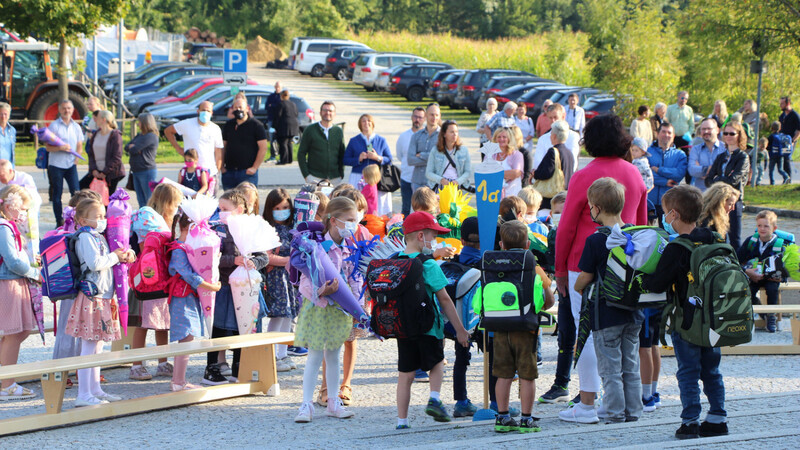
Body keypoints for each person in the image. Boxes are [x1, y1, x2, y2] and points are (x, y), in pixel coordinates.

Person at [555, 115, 648, 423]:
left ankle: (586, 403)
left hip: (586, 266)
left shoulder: (583, 176)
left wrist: (559, 271)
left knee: (589, 334)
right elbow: (643, 225)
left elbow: (566, 228)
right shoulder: (634, 174)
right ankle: (622, 402)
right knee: (624, 341)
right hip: (627, 267)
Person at [643, 185, 729, 440]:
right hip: (714, 319)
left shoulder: (677, 248)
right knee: (712, 370)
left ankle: (690, 421)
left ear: (674, 215)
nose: (663, 217)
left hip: (687, 322)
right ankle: (717, 418)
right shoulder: (715, 239)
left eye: (665, 213)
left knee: (688, 371)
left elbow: (657, 284)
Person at [573, 178, 644, 424]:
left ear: (597, 208)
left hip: (606, 314)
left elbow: (586, 275)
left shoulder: (596, 240)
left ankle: (614, 412)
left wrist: (577, 286)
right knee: (631, 366)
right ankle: (633, 411)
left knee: (610, 368)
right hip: (634, 313)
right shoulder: (635, 234)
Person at [394, 211, 469, 429]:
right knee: (436, 362)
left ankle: (402, 421)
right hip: (429, 327)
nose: (435, 241)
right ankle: (435, 398)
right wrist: (460, 330)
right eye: (433, 236)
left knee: (405, 375)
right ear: (420, 236)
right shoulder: (428, 265)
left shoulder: (395, 261)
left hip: (404, 329)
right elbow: (445, 299)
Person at [293, 197, 361, 422]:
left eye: (356, 219)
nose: (354, 224)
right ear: (333, 221)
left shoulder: (348, 248)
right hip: (318, 308)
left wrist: (357, 306)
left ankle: (334, 402)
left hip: (338, 311)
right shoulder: (315, 247)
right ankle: (306, 405)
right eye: (349, 220)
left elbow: (353, 278)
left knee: (333, 355)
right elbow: (304, 281)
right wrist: (321, 290)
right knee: (314, 356)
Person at [487, 220, 555, 433]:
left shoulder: (492, 265)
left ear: (501, 244)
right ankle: (526, 419)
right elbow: (550, 299)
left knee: (503, 374)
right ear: (528, 244)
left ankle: (503, 417)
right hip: (526, 328)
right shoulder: (532, 266)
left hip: (499, 327)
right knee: (527, 375)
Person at [66, 197, 135, 406]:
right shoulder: (85, 238)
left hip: (102, 296)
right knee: (88, 346)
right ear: (82, 219)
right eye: (97, 217)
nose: (103, 220)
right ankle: (83, 394)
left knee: (97, 346)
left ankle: (95, 389)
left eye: (103, 216)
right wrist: (116, 257)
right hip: (91, 297)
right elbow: (95, 263)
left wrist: (123, 255)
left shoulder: (98, 236)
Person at [204, 190, 269, 385]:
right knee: (218, 329)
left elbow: (263, 257)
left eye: (225, 209)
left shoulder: (250, 231)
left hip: (246, 289)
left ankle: (240, 368)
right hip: (223, 287)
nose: (221, 212)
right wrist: (234, 260)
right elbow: (210, 259)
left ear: (239, 209)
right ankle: (212, 368)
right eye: (219, 208)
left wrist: (254, 263)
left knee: (245, 328)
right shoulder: (216, 231)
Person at [128, 183, 183, 381]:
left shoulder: (164, 220)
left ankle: (162, 362)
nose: (178, 207)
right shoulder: (148, 219)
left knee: (162, 323)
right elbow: (144, 249)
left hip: (163, 280)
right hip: (148, 279)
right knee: (142, 324)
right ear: (168, 203)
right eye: (176, 204)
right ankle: (136, 365)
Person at [168, 211, 222, 391]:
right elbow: (189, 276)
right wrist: (211, 286)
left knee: (187, 338)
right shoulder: (179, 249)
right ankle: (178, 382)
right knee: (185, 337)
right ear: (189, 227)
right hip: (182, 298)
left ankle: (179, 380)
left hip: (187, 296)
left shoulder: (184, 247)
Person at [0, 185, 39, 400]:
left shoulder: (9, 226)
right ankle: (8, 384)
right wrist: (34, 272)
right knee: (14, 333)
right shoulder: (3, 227)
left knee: (19, 332)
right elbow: (12, 259)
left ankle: (6, 378)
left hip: (15, 281)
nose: (25, 213)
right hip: (9, 282)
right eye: (22, 209)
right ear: (10, 205)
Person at [538, 191, 572, 403]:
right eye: (557, 212)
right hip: (564, 291)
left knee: (582, 340)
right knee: (565, 337)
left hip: (577, 286)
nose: (560, 216)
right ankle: (561, 383)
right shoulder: (552, 233)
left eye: (564, 211)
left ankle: (590, 389)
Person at [261, 189, 299, 372]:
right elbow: (266, 257)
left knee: (288, 315)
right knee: (277, 316)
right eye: (277, 207)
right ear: (270, 208)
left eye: (285, 207)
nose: (282, 211)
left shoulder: (292, 227)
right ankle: (271, 355)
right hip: (276, 277)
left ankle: (283, 354)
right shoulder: (267, 229)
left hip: (289, 279)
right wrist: (288, 261)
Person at [738, 210, 784, 333]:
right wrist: (747, 270)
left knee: (772, 290)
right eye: (759, 226)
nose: (762, 229)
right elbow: (738, 259)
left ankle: (771, 316)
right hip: (754, 276)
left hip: (771, 279)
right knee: (747, 292)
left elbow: (784, 268)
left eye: (766, 226)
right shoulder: (751, 241)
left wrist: (780, 276)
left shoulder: (780, 245)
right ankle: (761, 312)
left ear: (774, 228)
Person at [706, 121, 750, 250]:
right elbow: (708, 180)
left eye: (732, 133)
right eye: (726, 133)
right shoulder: (721, 156)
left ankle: (737, 265)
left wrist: (718, 179)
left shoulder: (742, 157)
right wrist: (721, 179)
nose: (728, 136)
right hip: (718, 201)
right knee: (718, 235)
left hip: (734, 202)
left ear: (739, 135)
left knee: (734, 237)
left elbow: (734, 180)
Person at [165, 101, 224, 193]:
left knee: (210, 203)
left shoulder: (215, 129)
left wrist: (217, 171)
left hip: (210, 172)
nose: (205, 113)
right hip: (191, 172)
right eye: (203, 110)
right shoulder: (187, 124)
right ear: (198, 111)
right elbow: (168, 131)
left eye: (208, 111)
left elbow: (218, 152)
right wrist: (178, 148)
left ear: (212, 113)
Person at [344, 114, 392, 213]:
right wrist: (358, 159)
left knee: (376, 205)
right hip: (358, 176)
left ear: (372, 123)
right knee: (358, 203)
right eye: (363, 121)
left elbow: (389, 159)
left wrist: (377, 158)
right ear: (360, 124)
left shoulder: (381, 140)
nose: (366, 123)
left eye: (369, 121)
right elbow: (345, 160)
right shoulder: (354, 141)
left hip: (376, 178)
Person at [46, 100, 83, 227]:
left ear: (72, 110)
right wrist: (60, 148)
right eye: (64, 108)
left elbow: (79, 145)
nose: (66, 111)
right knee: (57, 194)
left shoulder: (76, 127)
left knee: (76, 192)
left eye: (69, 108)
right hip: (56, 164)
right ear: (60, 110)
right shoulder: (54, 126)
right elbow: (48, 147)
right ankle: (59, 221)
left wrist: (76, 159)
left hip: (70, 164)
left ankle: (75, 219)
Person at [221, 96, 268, 190]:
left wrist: (254, 167)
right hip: (229, 172)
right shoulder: (229, 125)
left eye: (240, 107)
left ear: (247, 109)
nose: (238, 110)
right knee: (229, 202)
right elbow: (223, 147)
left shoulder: (256, 125)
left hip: (247, 173)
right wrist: (222, 167)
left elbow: (263, 148)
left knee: (247, 202)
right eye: (235, 108)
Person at [298, 101, 346, 184]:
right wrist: (306, 175)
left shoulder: (338, 131)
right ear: (320, 113)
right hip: (315, 177)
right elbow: (301, 153)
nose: (327, 113)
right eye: (325, 110)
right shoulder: (310, 130)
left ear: (334, 114)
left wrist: (341, 173)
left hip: (335, 178)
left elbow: (342, 154)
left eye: (330, 111)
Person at [647, 123, 687, 221]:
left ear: (673, 136)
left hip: (669, 201)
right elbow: (645, 175)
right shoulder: (647, 152)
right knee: (645, 232)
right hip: (649, 199)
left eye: (669, 133)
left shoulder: (680, 154)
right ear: (657, 134)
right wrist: (665, 181)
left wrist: (659, 170)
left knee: (667, 234)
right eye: (663, 132)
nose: (666, 135)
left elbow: (679, 174)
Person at [80, 110, 125, 193]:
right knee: (81, 186)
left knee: (107, 199)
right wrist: (93, 170)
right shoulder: (96, 134)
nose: (95, 119)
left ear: (104, 119)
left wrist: (105, 172)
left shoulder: (115, 135)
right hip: (97, 171)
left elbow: (117, 157)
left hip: (110, 173)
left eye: (97, 117)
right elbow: (91, 154)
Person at [532, 120, 573, 208]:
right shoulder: (569, 153)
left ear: (554, 136)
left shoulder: (553, 151)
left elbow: (546, 173)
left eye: (551, 134)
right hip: (565, 194)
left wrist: (534, 173)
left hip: (551, 197)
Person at [425, 120, 472, 191]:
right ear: (444, 134)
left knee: (455, 202)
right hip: (440, 187)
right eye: (452, 132)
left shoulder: (464, 150)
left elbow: (467, 172)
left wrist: (457, 181)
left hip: (457, 186)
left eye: (456, 132)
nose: (455, 134)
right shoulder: (435, 150)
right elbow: (428, 173)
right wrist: (440, 180)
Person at [534, 103, 580, 173]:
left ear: (563, 116)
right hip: (547, 179)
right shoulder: (543, 139)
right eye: (550, 118)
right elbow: (537, 163)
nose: (553, 121)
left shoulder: (573, 136)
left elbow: (572, 162)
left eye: (555, 117)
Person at [397, 107, 426, 216]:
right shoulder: (403, 136)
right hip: (406, 178)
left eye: (420, 117)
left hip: (421, 180)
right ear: (411, 117)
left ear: (424, 119)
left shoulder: (426, 137)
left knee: (421, 209)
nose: (417, 119)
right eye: (415, 116)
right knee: (405, 209)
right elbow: (400, 155)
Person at [125, 113, 160, 206]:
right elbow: (127, 147)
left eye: (139, 122)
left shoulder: (151, 136)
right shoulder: (139, 136)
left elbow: (134, 149)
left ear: (145, 123)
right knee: (140, 200)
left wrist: (133, 147)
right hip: (136, 170)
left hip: (146, 170)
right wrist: (132, 147)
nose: (138, 124)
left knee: (148, 200)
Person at [408, 103, 442, 192]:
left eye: (436, 115)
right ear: (426, 115)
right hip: (417, 182)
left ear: (439, 116)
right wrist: (432, 157)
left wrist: (421, 155)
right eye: (431, 115)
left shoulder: (443, 136)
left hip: (435, 183)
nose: (434, 118)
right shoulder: (416, 136)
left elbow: (441, 159)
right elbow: (410, 160)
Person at [688, 118, 726, 192]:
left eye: (709, 129)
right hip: (701, 194)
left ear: (717, 130)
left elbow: (725, 171)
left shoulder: (725, 149)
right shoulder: (695, 149)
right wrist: (711, 170)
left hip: (720, 194)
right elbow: (692, 170)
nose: (706, 131)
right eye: (703, 129)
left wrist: (702, 170)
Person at [698, 182, 740, 246]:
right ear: (719, 204)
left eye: (734, 205)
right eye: (730, 204)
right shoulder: (708, 224)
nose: (733, 208)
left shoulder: (715, 219)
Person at [491, 127, 524, 198]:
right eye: (499, 137)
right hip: (493, 196)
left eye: (504, 137)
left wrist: (495, 173)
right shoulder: (490, 155)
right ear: (495, 139)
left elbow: (516, 173)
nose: (501, 139)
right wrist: (507, 174)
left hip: (512, 195)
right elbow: (484, 173)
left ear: (509, 139)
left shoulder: (517, 154)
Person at [274, 89, 299, 165]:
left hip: (284, 125)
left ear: (281, 96)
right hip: (293, 125)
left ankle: (284, 160)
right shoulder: (293, 104)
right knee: (289, 142)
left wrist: (274, 126)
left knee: (283, 143)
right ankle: (289, 159)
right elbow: (296, 114)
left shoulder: (281, 104)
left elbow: (278, 116)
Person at [778, 96, 799, 183]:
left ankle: (788, 179)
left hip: (790, 141)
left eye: (782, 104)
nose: (781, 105)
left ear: (788, 104)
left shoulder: (795, 115)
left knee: (786, 159)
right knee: (781, 159)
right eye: (780, 103)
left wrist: (793, 141)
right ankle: (785, 178)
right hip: (782, 140)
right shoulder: (782, 116)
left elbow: (798, 130)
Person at [265, 81, 282, 163]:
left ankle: (281, 155)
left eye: (279, 87)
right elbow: (267, 106)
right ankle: (272, 156)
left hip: (280, 122)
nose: (277, 88)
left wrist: (273, 106)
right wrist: (272, 106)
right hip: (271, 120)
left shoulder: (282, 97)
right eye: (276, 86)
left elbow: (280, 107)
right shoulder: (271, 96)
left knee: (280, 139)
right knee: (272, 138)